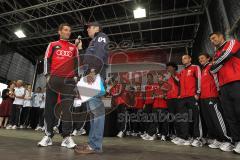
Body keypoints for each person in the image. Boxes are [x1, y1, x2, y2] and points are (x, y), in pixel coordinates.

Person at [38, 23, 80, 149]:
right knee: (49, 108)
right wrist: (47, 75)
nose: (68, 32)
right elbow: (46, 59)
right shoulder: (52, 44)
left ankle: (66, 137)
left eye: (69, 30)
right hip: (53, 79)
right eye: (66, 30)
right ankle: (48, 135)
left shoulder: (74, 48)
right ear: (60, 31)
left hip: (68, 81)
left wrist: (76, 76)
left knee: (67, 109)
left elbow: (77, 62)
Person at [74, 22, 109, 154]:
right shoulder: (93, 41)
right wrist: (82, 49)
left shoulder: (101, 36)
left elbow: (99, 55)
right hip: (89, 76)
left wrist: (93, 73)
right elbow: (86, 60)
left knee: (97, 113)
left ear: (97, 28)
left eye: (89, 27)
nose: (87, 29)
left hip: (94, 75)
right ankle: (91, 144)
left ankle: (95, 146)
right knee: (93, 113)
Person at [209, 32, 240, 154]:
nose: (212, 40)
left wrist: (217, 62)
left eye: (214, 38)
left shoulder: (232, 42)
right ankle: (237, 141)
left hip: (237, 81)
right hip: (223, 86)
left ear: (221, 36)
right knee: (230, 115)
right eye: (210, 39)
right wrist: (218, 62)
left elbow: (227, 54)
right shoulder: (216, 54)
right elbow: (213, 70)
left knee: (239, 111)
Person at [198, 53, 232, 150]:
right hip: (203, 98)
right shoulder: (202, 69)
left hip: (212, 96)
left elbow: (217, 80)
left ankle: (227, 140)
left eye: (202, 58)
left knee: (217, 118)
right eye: (199, 58)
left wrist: (218, 92)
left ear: (208, 58)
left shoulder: (211, 67)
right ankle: (218, 139)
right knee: (210, 120)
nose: (200, 60)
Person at [174, 54, 202, 147]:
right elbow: (180, 85)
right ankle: (184, 137)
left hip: (192, 96)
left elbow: (199, 79)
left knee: (195, 117)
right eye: (182, 59)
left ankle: (197, 138)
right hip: (182, 98)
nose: (183, 60)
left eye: (185, 58)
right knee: (183, 118)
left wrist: (197, 93)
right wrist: (179, 95)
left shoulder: (195, 67)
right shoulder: (182, 72)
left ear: (190, 59)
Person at [143, 74, 170, 141]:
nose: (158, 79)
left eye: (160, 77)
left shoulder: (166, 85)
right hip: (155, 105)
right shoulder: (155, 85)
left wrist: (164, 95)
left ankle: (164, 135)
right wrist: (155, 95)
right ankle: (152, 134)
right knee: (154, 121)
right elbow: (153, 94)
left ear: (163, 78)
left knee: (164, 121)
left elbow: (168, 95)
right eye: (157, 77)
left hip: (163, 105)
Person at [165, 62, 180, 141]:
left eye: (170, 67)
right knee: (171, 117)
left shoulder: (178, 74)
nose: (168, 69)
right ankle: (172, 133)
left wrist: (173, 75)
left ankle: (178, 134)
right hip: (169, 99)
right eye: (168, 68)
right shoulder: (168, 77)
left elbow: (179, 83)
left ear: (174, 68)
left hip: (176, 99)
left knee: (177, 117)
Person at [141, 73, 155, 139]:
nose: (148, 78)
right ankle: (147, 132)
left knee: (151, 119)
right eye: (147, 77)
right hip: (146, 104)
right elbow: (145, 96)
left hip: (152, 104)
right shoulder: (146, 86)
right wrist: (144, 104)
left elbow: (155, 95)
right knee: (146, 119)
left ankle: (151, 134)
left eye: (150, 77)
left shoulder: (155, 85)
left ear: (152, 78)